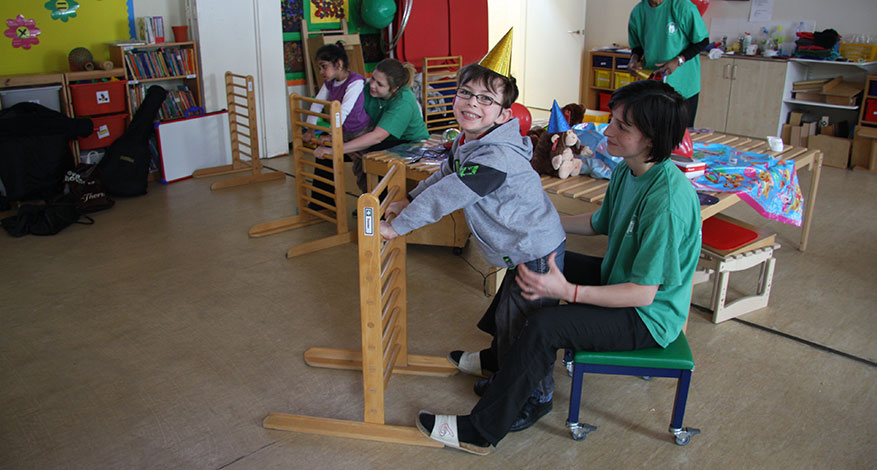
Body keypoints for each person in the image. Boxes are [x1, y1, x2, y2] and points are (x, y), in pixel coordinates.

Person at [414, 79, 702, 455]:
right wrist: (540, 225)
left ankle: (483, 429)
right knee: (529, 258)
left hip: (648, 315)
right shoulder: (627, 171)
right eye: (612, 119)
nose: (607, 130)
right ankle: (498, 359)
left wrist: (568, 292)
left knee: (545, 325)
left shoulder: (667, 202)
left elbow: (643, 293)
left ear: (650, 139)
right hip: (622, 280)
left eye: (621, 126)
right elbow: (599, 224)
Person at [379, 60, 568, 431]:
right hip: (522, 248)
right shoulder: (471, 140)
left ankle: (536, 396)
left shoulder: (496, 156)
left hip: (535, 250)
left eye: (485, 98)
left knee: (525, 330)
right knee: (507, 319)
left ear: (503, 114)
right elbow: (446, 173)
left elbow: (448, 195)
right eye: (465, 93)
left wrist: (399, 226)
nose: (471, 103)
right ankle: (505, 374)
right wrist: (412, 196)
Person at [309, 58, 428, 206]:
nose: (372, 85)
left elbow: (378, 137)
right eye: (372, 78)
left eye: (380, 84)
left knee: (372, 157)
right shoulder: (366, 90)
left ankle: (379, 210)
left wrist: (337, 149)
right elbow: (352, 119)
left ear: (394, 88)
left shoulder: (404, 101)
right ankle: (321, 204)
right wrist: (334, 139)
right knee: (326, 155)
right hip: (380, 139)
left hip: (410, 144)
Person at [627, 0, 709, 127]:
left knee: (680, 137)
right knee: (652, 134)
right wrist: (634, 58)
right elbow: (637, 45)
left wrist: (678, 60)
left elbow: (702, 41)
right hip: (654, 86)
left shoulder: (682, 7)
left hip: (683, 87)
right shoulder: (638, 11)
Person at [303, 42, 370, 144]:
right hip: (342, 130)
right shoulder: (330, 83)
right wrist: (310, 129)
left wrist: (331, 135)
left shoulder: (356, 82)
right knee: (322, 153)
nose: (321, 71)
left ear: (339, 64)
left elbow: (344, 110)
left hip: (360, 131)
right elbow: (317, 103)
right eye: (319, 68)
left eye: (324, 66)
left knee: (359, 158)